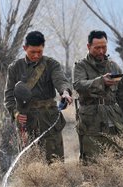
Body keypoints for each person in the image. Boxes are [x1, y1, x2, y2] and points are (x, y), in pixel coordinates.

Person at [4, 31, 73, 164]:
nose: (36, 55)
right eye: (32, 52)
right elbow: (8, 96)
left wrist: (65, 92)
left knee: (55, 163)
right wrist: (16, 113)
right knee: (30, 164)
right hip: (27, 122)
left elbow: (60, 80)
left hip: (49, 120)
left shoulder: (52, 64)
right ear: (25, 48)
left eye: (39, 52)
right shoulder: (14, 68)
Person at [73, 30, 123, 165]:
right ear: (88, 47)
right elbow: (79, 85)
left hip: (113, 121)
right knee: (92, 163)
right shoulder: (81, 66)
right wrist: (100, 82)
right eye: (97, 48)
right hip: (90, 122)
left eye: (104, 47)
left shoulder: (114, 66)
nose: (101, 51)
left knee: (117, 161)